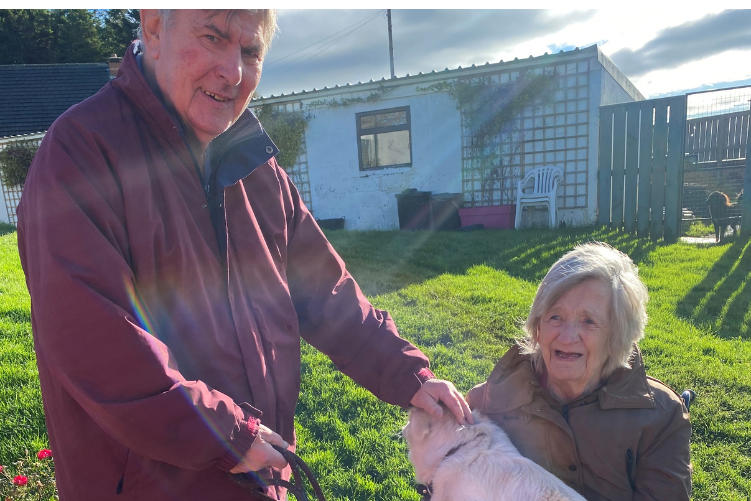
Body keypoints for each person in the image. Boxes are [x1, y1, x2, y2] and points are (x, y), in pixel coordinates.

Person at [17, 9, 471, 501]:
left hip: (256, 474)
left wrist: (408, 373)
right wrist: (226, 434)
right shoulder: (81, 155)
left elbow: (326, 291)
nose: (233, 71)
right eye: (213, 37)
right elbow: (98, 347)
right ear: (153, 27)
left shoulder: (255, 164)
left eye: (250, 52)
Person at [466, 242, 692, 501]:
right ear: (537, 326)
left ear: (617, 336)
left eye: (589, 321)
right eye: (554, 317)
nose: (567, 336)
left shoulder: (660, 417)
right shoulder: (487, 401)